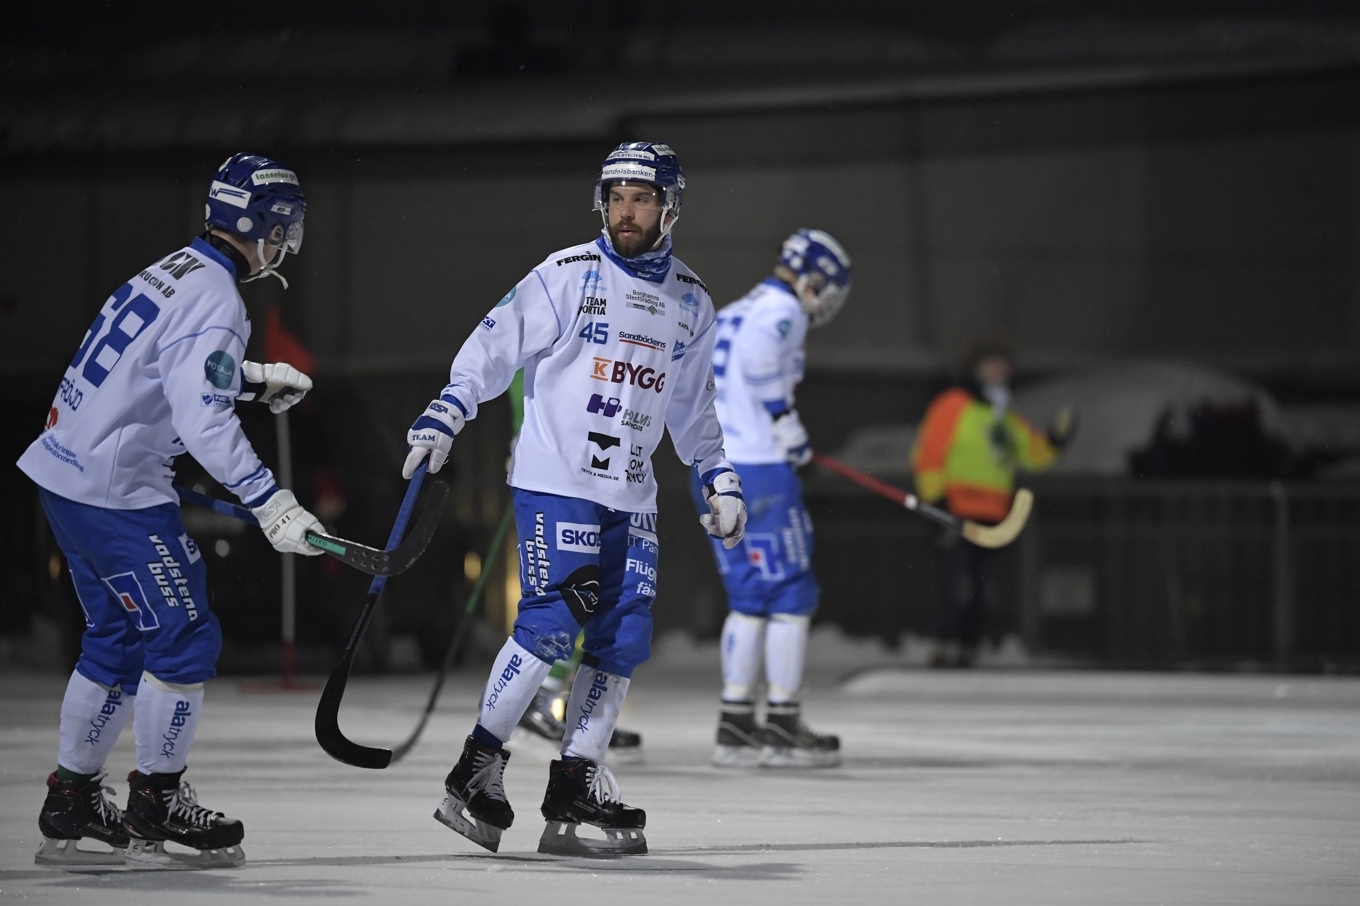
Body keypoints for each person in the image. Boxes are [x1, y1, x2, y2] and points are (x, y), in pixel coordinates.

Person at [404, 141, 745, 856]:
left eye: (641, 198)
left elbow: (692, 409)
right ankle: (476, 770)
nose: (625, 211)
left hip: (633, 495)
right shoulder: (566, 274)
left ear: (670, 207)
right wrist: (448, 411)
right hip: (558, 482)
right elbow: (490, 347)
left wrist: (717, 475)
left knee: (621, 638)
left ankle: (574, 785)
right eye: (615, 196)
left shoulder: (693, 301)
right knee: (553, 624)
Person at [20, 152, 323, 869]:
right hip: (118, 494)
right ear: (259, 225)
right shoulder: (220, 299)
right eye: (282, 228)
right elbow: (203, 423)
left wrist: (246, 378)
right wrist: (271, 501)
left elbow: (151, 366)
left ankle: (72, 795)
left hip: (66, 474)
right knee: (183, 639)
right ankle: (158, 798)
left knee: (116, 640)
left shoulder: (173, 269)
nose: (285, 242)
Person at [701, 229, 852, 770]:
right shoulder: (781, 311)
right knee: (790, 591)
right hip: (761, 467)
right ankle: (784, 720)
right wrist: (786, 424)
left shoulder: (738, 306)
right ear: (811, 277)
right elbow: (765, 365)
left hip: (720, 465)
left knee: (748, 595)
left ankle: (737, 721)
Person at [505, 369, 643, 763]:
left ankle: (575, 709)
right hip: (559, 463)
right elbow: (526, 372)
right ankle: (539, 701)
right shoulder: (556, 309)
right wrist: (522, 435)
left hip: (599, 458)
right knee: (572, 592)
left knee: (600, 594)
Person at [911, 338, 1075, 667]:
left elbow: (1032, 453)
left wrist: (1055, 441)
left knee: (983, 592)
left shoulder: (1003, 414)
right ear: (974, 367)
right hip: (956, 511)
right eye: (992, 362)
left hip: (992, 515)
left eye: (1004, 363)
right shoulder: (953, 404)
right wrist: (937, 504)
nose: (1001, 369)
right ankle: (943, 646)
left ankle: (967, 650)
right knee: (961, 587)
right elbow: (928, 455)